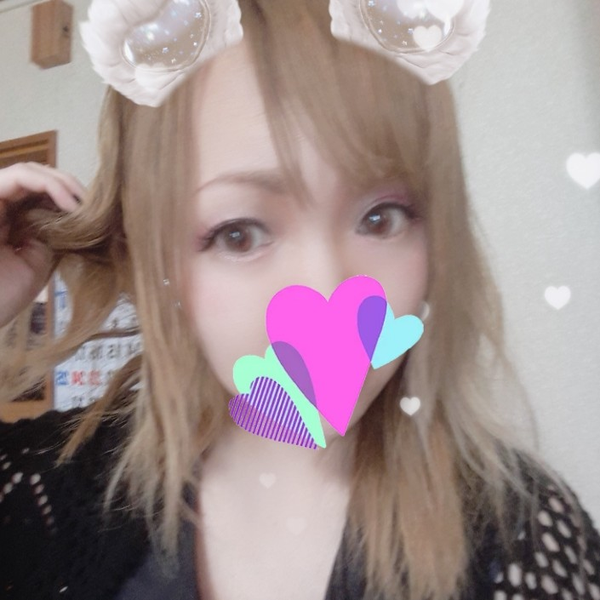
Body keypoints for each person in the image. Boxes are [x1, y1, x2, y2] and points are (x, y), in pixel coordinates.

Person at [1, 0, 599, 599]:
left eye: (382, 217)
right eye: (239, 234)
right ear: (156, 262)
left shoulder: (522, 537)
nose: (329, 297)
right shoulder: (46, 495)